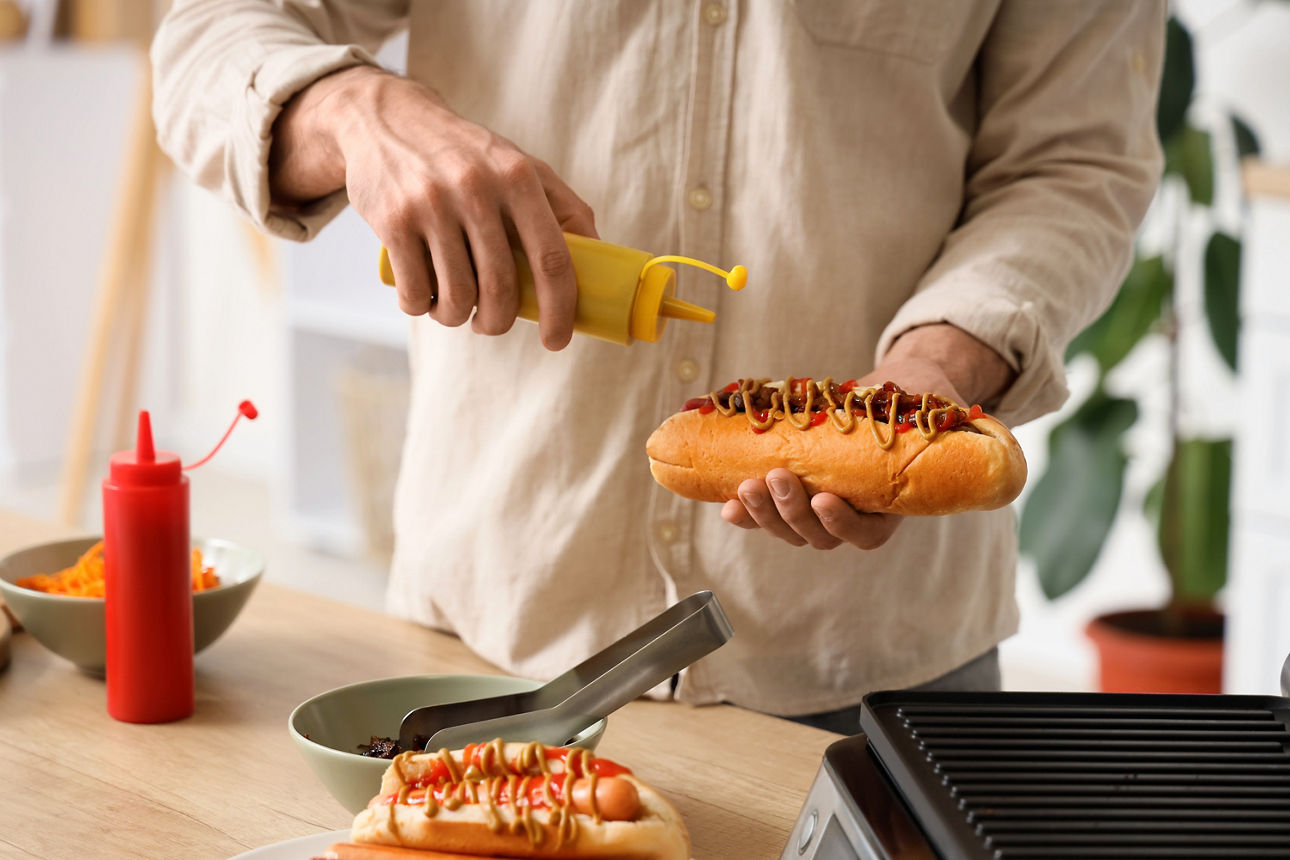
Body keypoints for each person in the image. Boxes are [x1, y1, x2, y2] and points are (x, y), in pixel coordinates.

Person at [152, 2, 1164, 732]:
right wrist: (357, 109)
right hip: (494, 633)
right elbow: (205, 33)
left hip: (875, 661)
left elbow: (1074, 165)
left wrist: (939, 364)